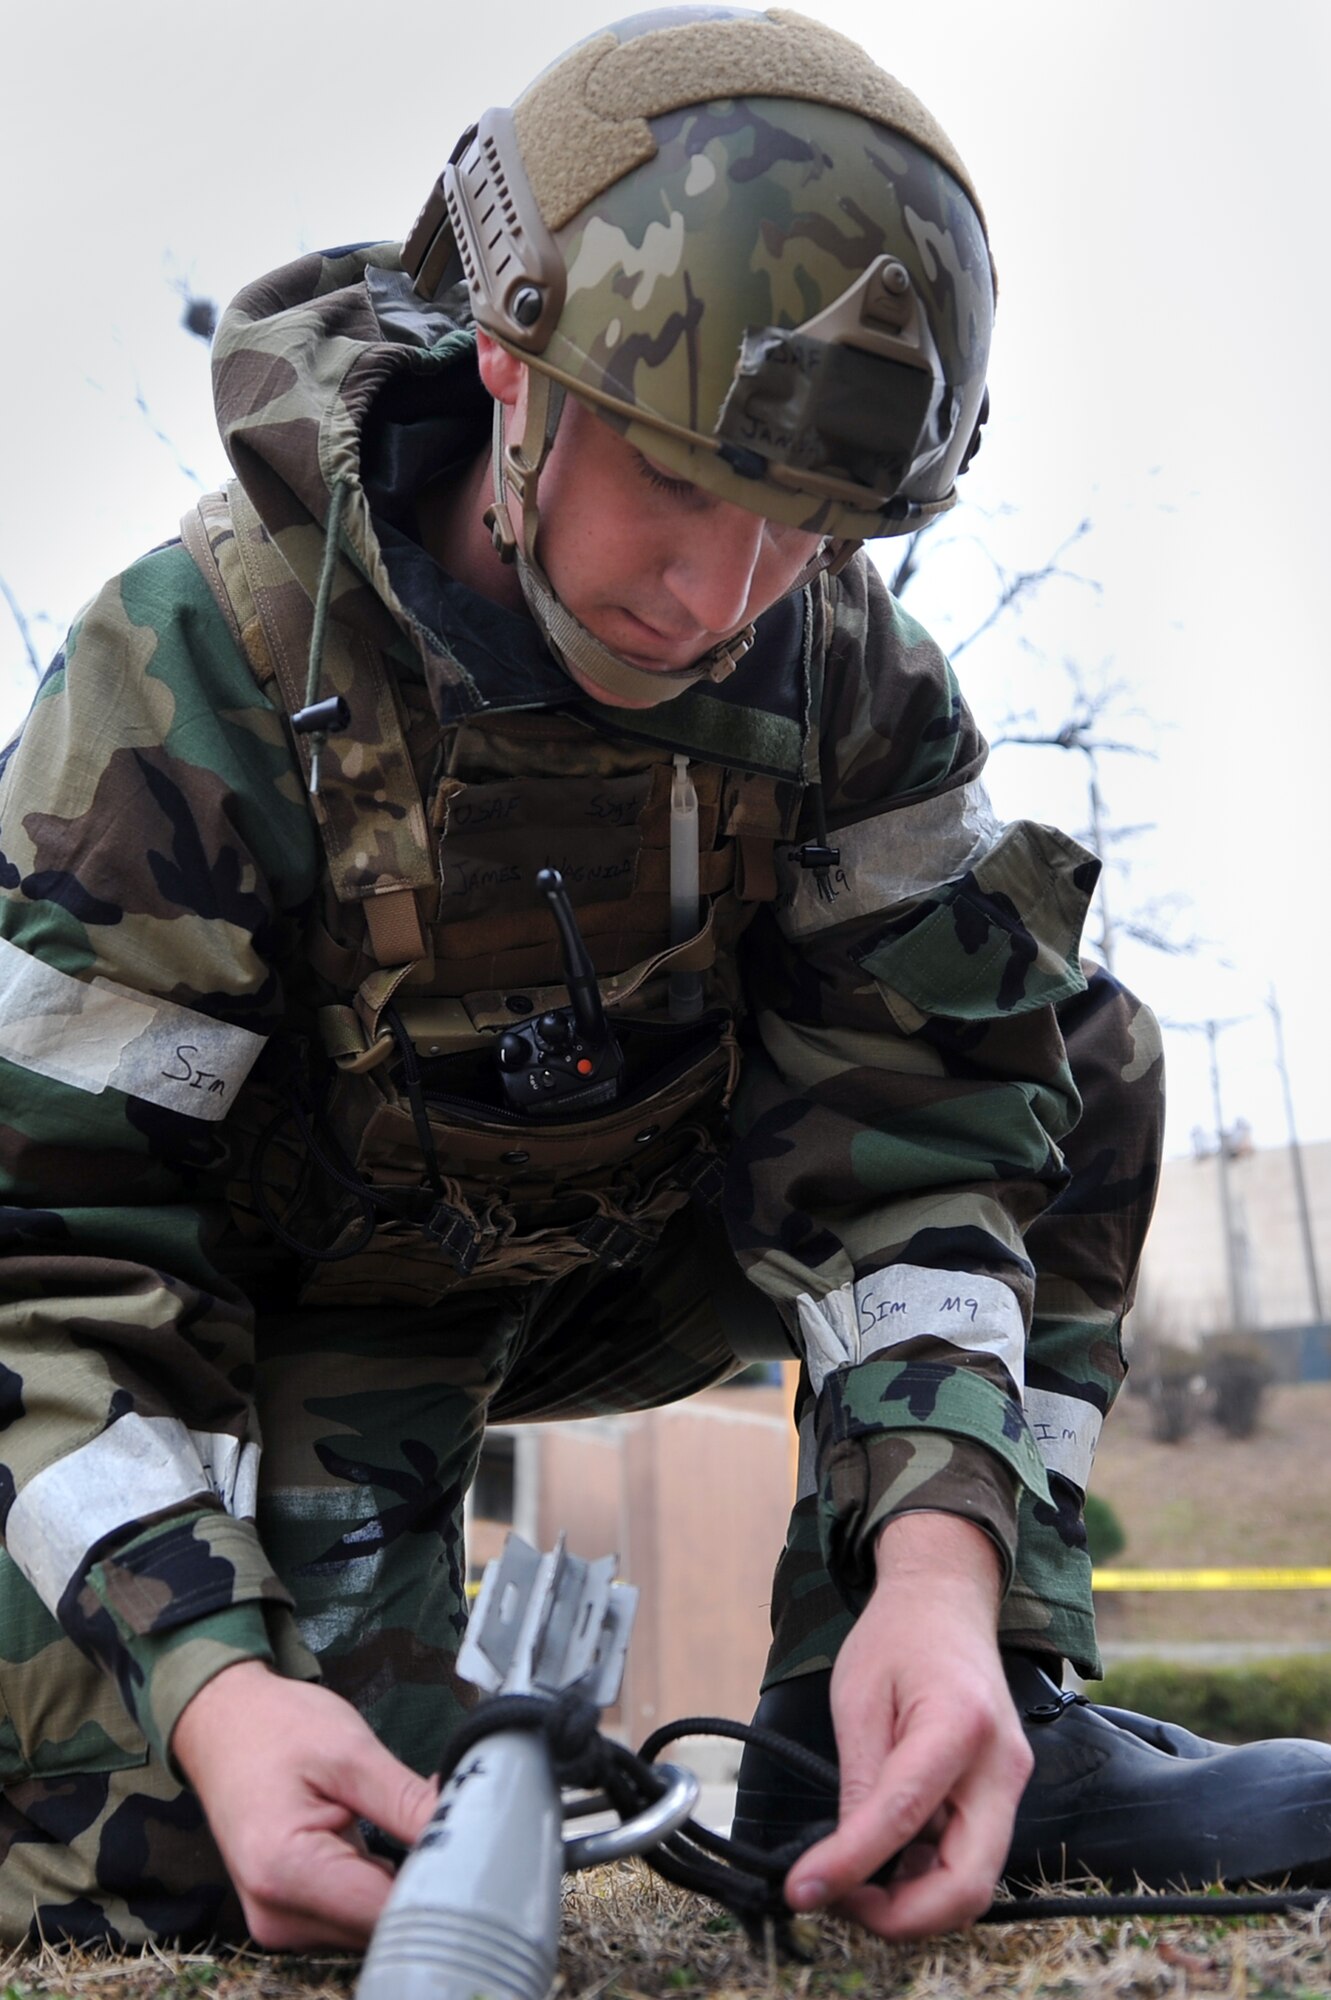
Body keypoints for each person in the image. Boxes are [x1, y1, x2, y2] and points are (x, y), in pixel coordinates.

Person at [0, 2, 1327, 1957]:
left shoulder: (846, 677)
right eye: (681, 485)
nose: (725, 598)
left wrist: (943, 1569)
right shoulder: (186, 679)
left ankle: (931, 1726)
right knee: (246, 1872)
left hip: (646, 1246)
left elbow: (926, 1134)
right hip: (299, 1327)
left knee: (1072, 1045)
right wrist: (205, 1682)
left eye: (808, 529)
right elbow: (47, 1261)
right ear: (514, 361)